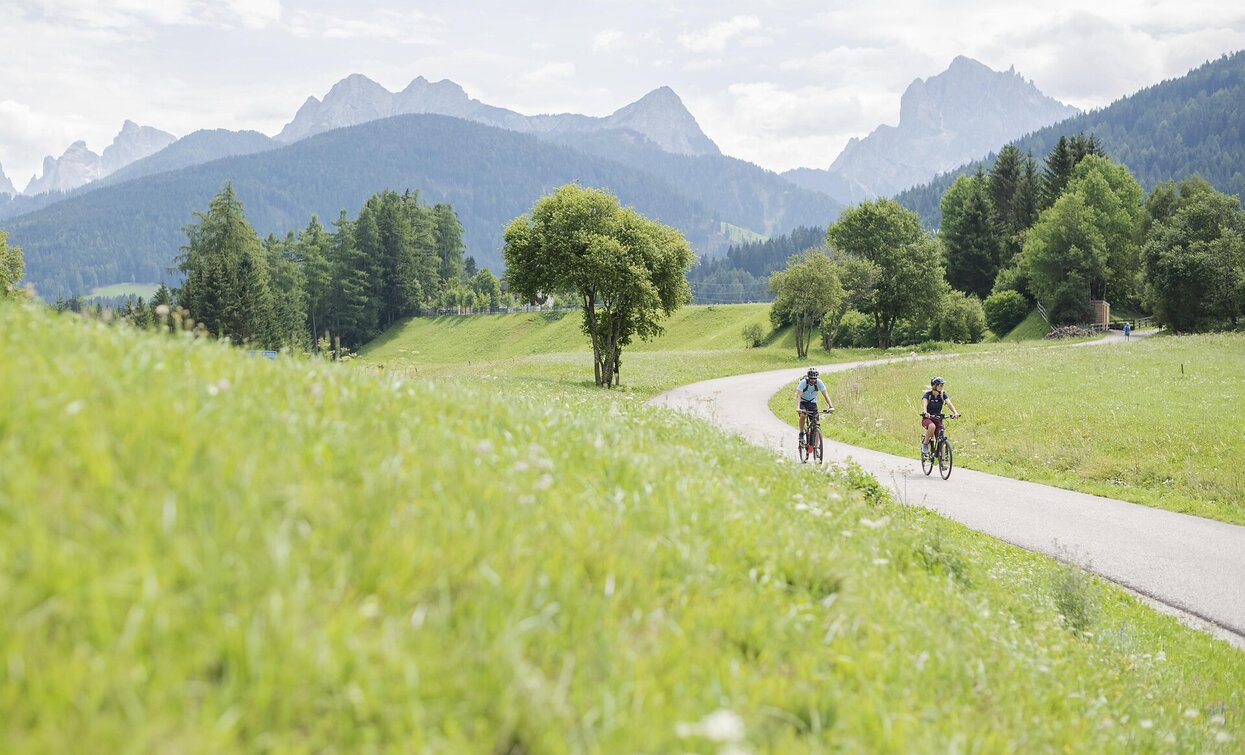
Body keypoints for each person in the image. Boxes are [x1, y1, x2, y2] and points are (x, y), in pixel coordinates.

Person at [921, 376, 960, 458]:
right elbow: (924, 405)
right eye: (940, 385)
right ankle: (925, 444)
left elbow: (949, 404)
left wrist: (955, 413)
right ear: (934, 386)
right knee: (932, 426)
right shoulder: (928, 395)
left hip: (938, 419)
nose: (942, 387)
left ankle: (942, 462)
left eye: (942, 385)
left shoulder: (942, 394)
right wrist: (925, 412)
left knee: (941, 438)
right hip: (928, 419)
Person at [796, 367, 834, 445]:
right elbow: (798, 395)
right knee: (803, 415)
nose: (813, 380)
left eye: (814, 378)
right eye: (811, 378)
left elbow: (825, 394)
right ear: (808, 377)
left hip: (812, 402)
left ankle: (816, 447)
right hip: (803, 401)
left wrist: (831, 406)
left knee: (816, 423)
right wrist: (798, 408)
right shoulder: (803, 382)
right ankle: (801, 433)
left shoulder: (819, 382)